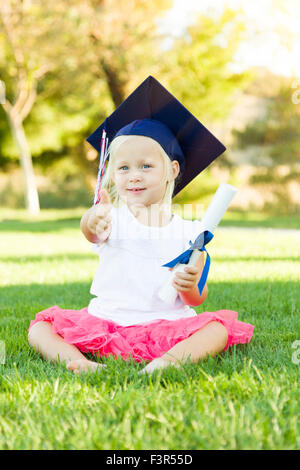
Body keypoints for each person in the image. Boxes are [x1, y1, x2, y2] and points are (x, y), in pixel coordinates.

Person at [28, 76, 254, 374]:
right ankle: (79, 362)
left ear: (171, 171)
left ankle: (167, 362)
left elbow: (197, 295)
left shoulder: (190, 232)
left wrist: (189, 288)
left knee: (217, 330)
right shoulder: (111, 218)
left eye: (146, 166)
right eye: (123, 168)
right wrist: (91, 219)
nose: (134, 176)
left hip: (167, 325)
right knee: (40, 328)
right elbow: (91, 231)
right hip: (107, 320)